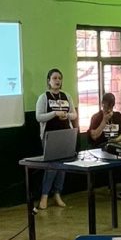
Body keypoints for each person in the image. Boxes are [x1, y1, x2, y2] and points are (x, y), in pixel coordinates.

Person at [35, 68, 77, 209]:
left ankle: (57, 193)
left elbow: (74, 114)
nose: (57, 81)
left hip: (65, 135)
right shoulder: (44, 97)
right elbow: (39, 117)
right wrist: (54, 113)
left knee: (62, 166)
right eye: (54, 78)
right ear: (49, 81)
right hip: (49, 136)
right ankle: (44, 195)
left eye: (59, 78)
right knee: (52, 166)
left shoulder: (66, 96)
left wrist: (67, 116)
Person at [88, 92, 121, 199]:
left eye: (111, 106)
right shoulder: (96, 117)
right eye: (106, 105)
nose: (108, 109)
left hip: (116, 144)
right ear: (102, 104)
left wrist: (115, 140)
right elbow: (94, 136)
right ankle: (112, 186)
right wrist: (104, 121)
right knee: (113, 155)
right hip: (101, 146)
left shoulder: (117, 116)